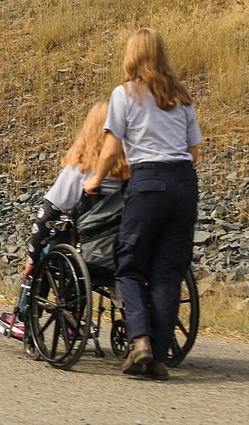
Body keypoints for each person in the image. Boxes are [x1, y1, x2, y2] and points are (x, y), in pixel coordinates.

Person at [84, 28, 202, 381]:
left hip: (148, 181)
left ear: (133, 55)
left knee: (130, 266)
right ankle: (160, 359)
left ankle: (140, 341)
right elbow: (194, 152)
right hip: (183, 183)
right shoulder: (182, 97)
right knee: (167, 272)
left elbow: (111, 149)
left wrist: (94, 180)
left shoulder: (125, 95)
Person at [0, 101, 130, 339]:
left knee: (47, 250)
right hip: (124, 251)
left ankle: (26, 317)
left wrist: (31, 257)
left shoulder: (81, 169)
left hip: (88, 251)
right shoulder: (133, 172)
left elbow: (48, 214)